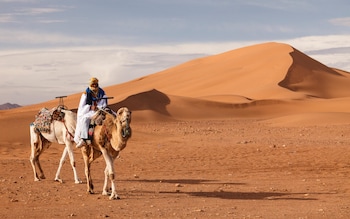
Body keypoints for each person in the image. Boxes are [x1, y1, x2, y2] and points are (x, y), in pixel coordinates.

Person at [74, 77, 108, 148]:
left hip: (101, 110)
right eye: (93, 84)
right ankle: (84, 139)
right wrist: (90, 107)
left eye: (95, 84)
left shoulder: (102, 93)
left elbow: (104, 103)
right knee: (85, 119)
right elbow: (81, 107)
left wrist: (99, 107)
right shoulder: (86, 94)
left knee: (114, 115)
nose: (94, 86)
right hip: (90, 112)